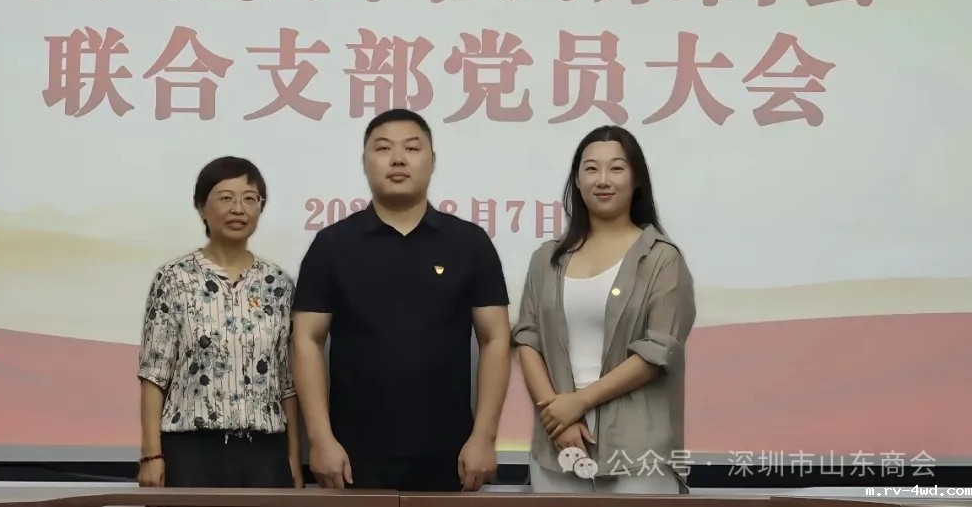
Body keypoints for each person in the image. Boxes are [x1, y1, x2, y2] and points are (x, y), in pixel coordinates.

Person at [291, 108, 512, 492]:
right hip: (351, 456)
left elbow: (495, 339)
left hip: (451, 454)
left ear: (432, 160)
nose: (397, 159)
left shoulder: (469, 243)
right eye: (382, 148)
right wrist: (320, 439)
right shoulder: (331, 245)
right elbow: (306, 340)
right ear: (364, 162)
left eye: (411, 148)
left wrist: (484, 437)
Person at [511, 125, 696, 494]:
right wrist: (559, 419)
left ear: (636, 179)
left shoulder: (661, 259)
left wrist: (579, 402)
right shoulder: (546, 259)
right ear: (577, 181)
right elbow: (528, 339)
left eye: (616, 168)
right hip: (558, 447)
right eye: (591, 169)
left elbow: (658, 351)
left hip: (638, 451)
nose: (603, 180)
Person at [136, 156, 303, 489]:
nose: (238, 209)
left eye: (250, 199)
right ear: (201, 207)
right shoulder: (174, 278)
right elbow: (154, 374)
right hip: (191, 452)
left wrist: (293, 458)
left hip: (265, 453)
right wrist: (151, 455)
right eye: (226, 198)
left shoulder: (278, 284)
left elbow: (287, 383)